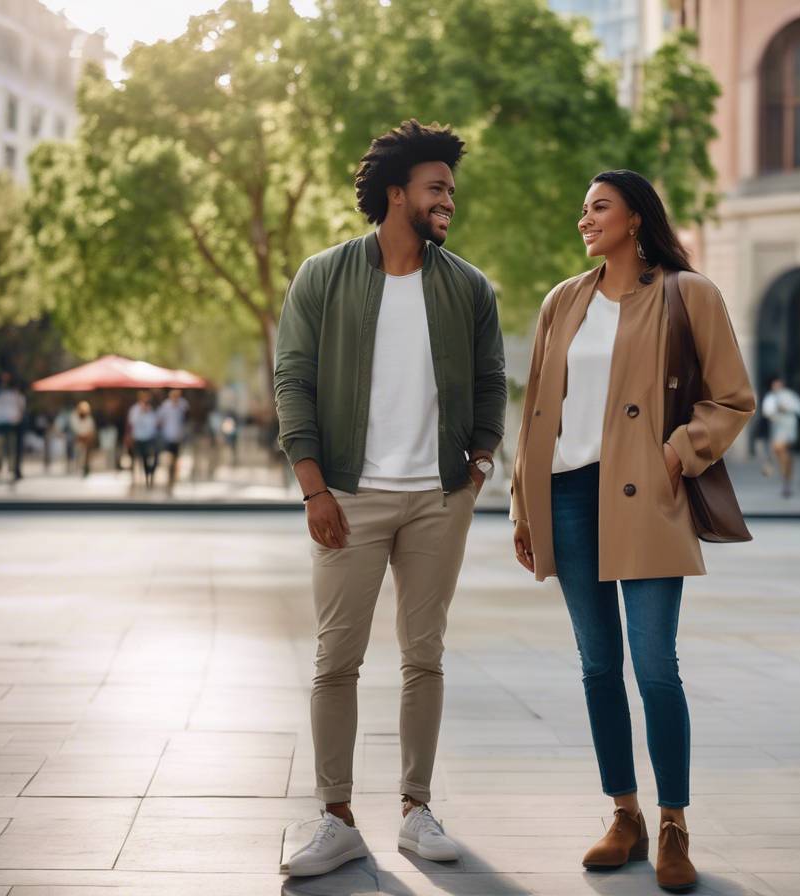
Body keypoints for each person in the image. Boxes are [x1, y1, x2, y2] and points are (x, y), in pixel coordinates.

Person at [511, 170, 754, 894]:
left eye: (598, 207)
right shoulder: (564, 300)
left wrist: (679, 453)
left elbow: (731, 396)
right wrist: (526, 507)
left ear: (635, 218)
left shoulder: (689, 293)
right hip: (569, 498)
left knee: (655, 668)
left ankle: (673, 821)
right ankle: (624, 814)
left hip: (647, 495)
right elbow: (535, 414)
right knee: (596, 667)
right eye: (582, 207)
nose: (583, 218)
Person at [274, 120, 506, 878]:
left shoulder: (468, 286)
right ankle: (335, 818)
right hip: (348, 494)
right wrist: (313, 486)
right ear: (396, 193)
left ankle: (415, 808)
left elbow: (491, 380)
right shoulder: (324, 275)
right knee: (336, 659)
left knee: (423, 656)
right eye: (437, 188)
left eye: (451, 190)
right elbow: (293, 381)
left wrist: (478, 462)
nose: (449, 201)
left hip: (438, 497)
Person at [761, 376, 800, 498]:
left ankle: (786, 479)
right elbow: (767, 412)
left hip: (788, 431)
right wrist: (777, 410)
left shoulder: (790, 396)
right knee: (783, 456)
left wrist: (788, 409)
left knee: (782, 453)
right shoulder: (770, 397)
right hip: (776, 432)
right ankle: (786, 480)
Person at [0, 372, 26, 482]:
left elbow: (21, 404)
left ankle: (12, 469)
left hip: (11, 423)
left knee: (11, 447)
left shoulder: (15, 391)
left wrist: (19, 416)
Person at [156, 389, 190, 494]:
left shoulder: (183, 405)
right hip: (167, 436)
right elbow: (159, 420)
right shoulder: (165, 406)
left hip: (178, 436)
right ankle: (169, 476)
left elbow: (186, 417)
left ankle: (174, 476)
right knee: (168, 457)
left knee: (176, 457)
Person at [125, 391, 159, 488]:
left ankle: (148, 477)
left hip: (148, 437)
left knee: (148, 458)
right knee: (135, 458)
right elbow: (131, 422)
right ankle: (134, 478)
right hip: (137, 437)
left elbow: (154, 424)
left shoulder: (151, 410)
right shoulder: (135, 410)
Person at [70, 401, 96, 478]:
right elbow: (75, 429)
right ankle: (78, 468)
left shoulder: (89, 419)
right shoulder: (74, 417)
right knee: (78, 454)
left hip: (86, 440)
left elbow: (91, 430)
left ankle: (85, 468)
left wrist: (87, 437)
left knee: (86, 455)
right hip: (77, 439)